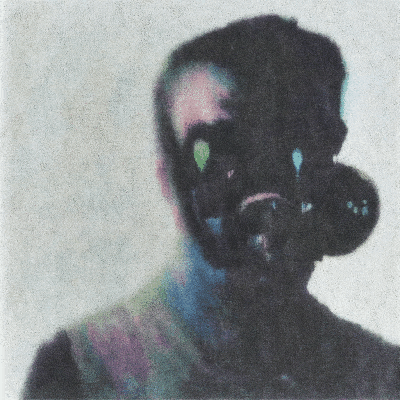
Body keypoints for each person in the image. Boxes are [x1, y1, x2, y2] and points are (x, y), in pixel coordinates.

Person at [23, 15, 400, 399]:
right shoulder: (79, 374)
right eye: (221, 150)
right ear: (169, 180)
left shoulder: (382, 378)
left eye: (307, 142)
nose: (274, 186)